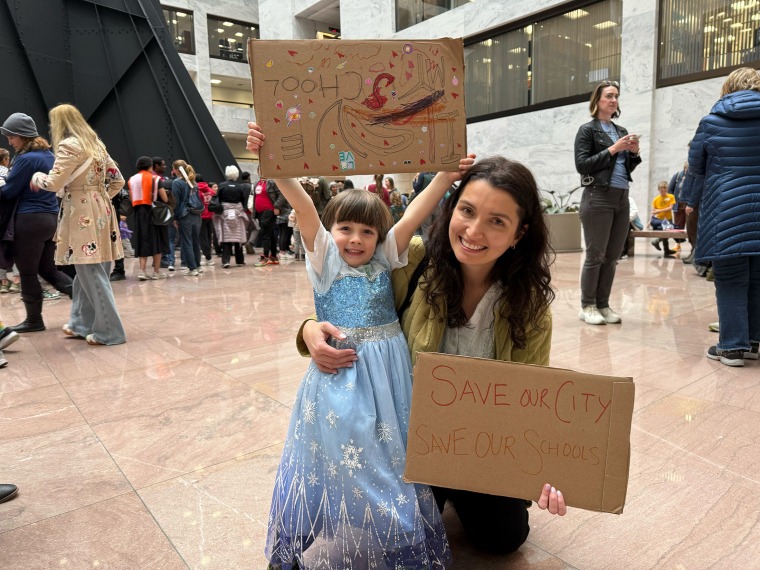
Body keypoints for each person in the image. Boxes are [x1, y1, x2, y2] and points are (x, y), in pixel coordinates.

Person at [295, 155, 567, 555]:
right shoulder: (415, 259)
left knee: (505, 538)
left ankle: (462, 496)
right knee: (401, 533)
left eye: (496, 221)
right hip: (412, 442)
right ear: (451, 208)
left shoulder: (530, 307)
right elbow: (346, 290)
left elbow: (531, 397)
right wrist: (307, 330)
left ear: (518, 235)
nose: (474, 231)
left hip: (482, 446)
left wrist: (546, 471)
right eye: (467, 211)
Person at [248, 122, 463, 569]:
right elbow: (304, 206)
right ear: (330, 232)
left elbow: (413, 217)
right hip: (339, 372)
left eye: (367, 232)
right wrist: (274, 165)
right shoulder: (323, 259)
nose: (356, 240)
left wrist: (444, 177)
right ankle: (295, 539)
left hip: (389, 374)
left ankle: (399, 534)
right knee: (335, 448)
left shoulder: (386, 255)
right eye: (345, 228)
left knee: (389, 451)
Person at [29, 103, 126, 346]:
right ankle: (80, 323)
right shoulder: (98, 145)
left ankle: (110, 332)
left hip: (81, 210)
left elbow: (52, 183)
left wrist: (37, 176)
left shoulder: (68, 145)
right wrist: (99, 196)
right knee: (88, 270)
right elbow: (118, 181)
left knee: (91, 272)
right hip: (102, 208)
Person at [685, 67, 760, 367]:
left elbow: (695, 168)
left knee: (730, 278)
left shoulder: (711, 122)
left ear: (728, 87)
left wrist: (689, 202)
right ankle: (753, 342)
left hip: (726, 210)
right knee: (757, 278)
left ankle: (731, 347)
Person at [574, 79, 641, 325]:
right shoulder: (587, 130)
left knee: (612, 256)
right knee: (596, 255)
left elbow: (627, 166)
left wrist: (633, 152)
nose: (614, 100)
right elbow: (582, 165)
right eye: (609, 96)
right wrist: (613, 149)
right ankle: (587, 305)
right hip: (598, 196)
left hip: (622, 197)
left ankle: (603, 305)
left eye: (616, 96)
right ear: (598, 101)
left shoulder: (621, 131)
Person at [0, 112, 73, 333]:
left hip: (29, 221)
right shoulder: (49, 156)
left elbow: (10, 192)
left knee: (28, 272)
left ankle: (34, 321)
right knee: (48, 270)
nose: (9, 142)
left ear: (21, 136)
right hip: (50, 219)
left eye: (11, 137)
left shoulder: (24, 159)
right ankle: (89, 303)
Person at [127, 156, 169, 280]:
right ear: (150, 166)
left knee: (142, 240)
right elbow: (165, 198)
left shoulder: (132, 179)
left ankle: (142, 271)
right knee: (157, 241)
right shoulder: (155, 179)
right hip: (154, 213)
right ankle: (156, 272)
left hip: (139, 213)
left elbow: (131, 198)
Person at [171, 159, 203, 276]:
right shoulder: (192, 181)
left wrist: (175, 217)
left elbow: (176, 201)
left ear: (175, 170)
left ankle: (192, 268)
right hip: (196, 214)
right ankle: (198, 266)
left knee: (187, 242)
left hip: (185, 215)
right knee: (195, 241)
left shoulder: (177, 183)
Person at [214, 166, 249, 267]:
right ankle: (240, 261)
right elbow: (244, 201)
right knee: (239, 237)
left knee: (226, 238)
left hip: (225, 214)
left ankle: (226, 261)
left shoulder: (221, 185)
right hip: (238, 213)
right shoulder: (240, 187)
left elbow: (218, 200)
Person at [648, 180, 677, 256]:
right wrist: (649, 221)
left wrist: (659, 210)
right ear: (659, 190)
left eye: (664, 191)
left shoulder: (671, 197)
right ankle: (666, 249)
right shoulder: (656, 199)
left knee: (668, 233)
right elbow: (653, 212)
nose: (663, 193)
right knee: (665, 234)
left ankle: (657, 242)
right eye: (661, 191)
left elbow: (670, 208)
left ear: (667, 189)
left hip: (668, 219)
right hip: (660, 220)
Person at [196, 174, 216, 266]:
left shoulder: (196, 191)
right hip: (210, 216)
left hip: (201, 216)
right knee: (209, 237)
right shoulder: (210, 190)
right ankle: (209, 256)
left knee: (202, 238)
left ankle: (208, 257)